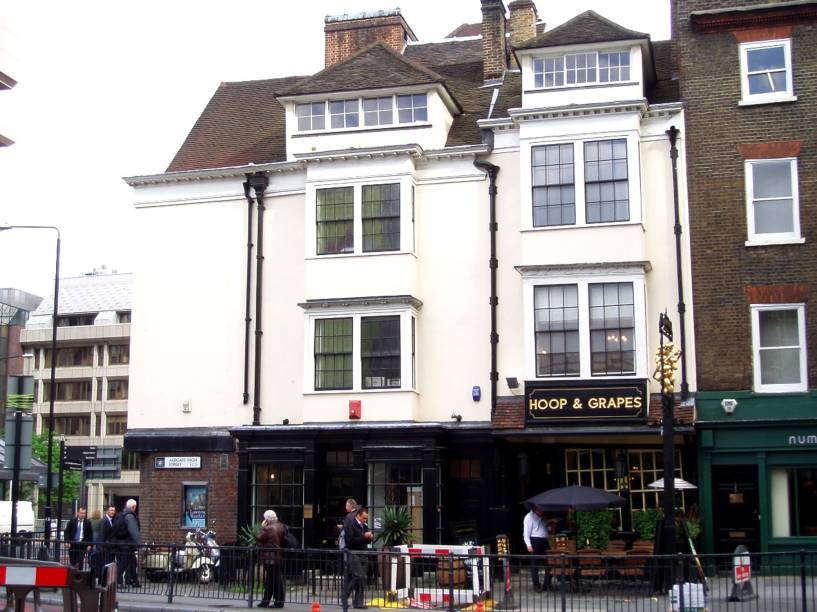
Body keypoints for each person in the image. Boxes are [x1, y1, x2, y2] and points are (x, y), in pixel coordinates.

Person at [341, 506, 372, 611]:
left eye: (366, 518)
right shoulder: (351, 525)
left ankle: (358, 603)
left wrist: (369, 537)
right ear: (358, 515)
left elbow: (367, 541)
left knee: (362, 578)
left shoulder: (365, 525)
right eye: (363, 518)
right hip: (354, 553)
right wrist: (364, 537)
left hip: (363, 553)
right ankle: (345, 595)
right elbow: (350, 541)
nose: (365, 520)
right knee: (358, 575)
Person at [255, 509, 286, 608]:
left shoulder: (268, 529)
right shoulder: (281, 526)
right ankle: (265, 601)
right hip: (278, 556)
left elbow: (259, 537)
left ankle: (279, 602)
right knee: (271, 580)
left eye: (264, 519)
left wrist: (262, 527)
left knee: (275, 581)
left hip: (270, 558)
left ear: (267, 519)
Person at [114, 499, 141, 588]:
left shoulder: (120, 515)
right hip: (127, 545)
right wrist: (139, 544)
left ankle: (134, 580)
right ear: (133, 507)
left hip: (119, 544)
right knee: (123, 564)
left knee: (132, 562)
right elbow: (134, 531)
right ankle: (118, 581)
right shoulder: (130, 517)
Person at [523, 505, 550, 591]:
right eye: (540, 509)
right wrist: (528, 545)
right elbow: (526, 532)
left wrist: (550, 527)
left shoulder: (542, 516)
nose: (542, 511)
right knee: (535, 564)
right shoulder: (529, 517)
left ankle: (546, 584)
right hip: (535, 540)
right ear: (535, 508)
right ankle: (536, 584)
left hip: (544, 540)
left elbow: (545, 528)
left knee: (549, 562)